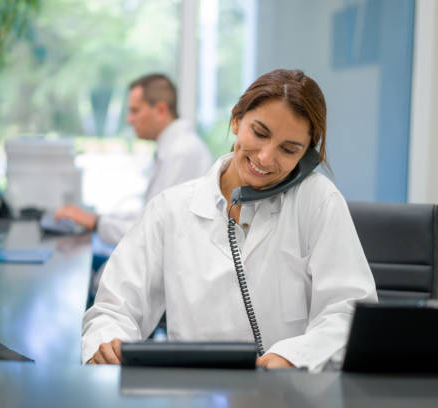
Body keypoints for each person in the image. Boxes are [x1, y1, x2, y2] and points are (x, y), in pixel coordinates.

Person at [81, 69, 377, 371]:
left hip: (286, 395)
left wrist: (295, 356)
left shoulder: (317, 200)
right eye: (259, 133)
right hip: (193, 392)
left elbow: (348, 310)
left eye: (289, 150)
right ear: (236, 120)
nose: (265, 158)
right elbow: (113, 308)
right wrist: (109, 342)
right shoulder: (171, 209)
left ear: (306, 157)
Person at [55, 73, 212, 244]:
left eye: (135, 111)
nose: (129, 119)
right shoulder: (173, 148)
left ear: (160, 110)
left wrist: (96, 223)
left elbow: (155, 232)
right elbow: (148, 214)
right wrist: (97, 219)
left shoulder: (182, 153)